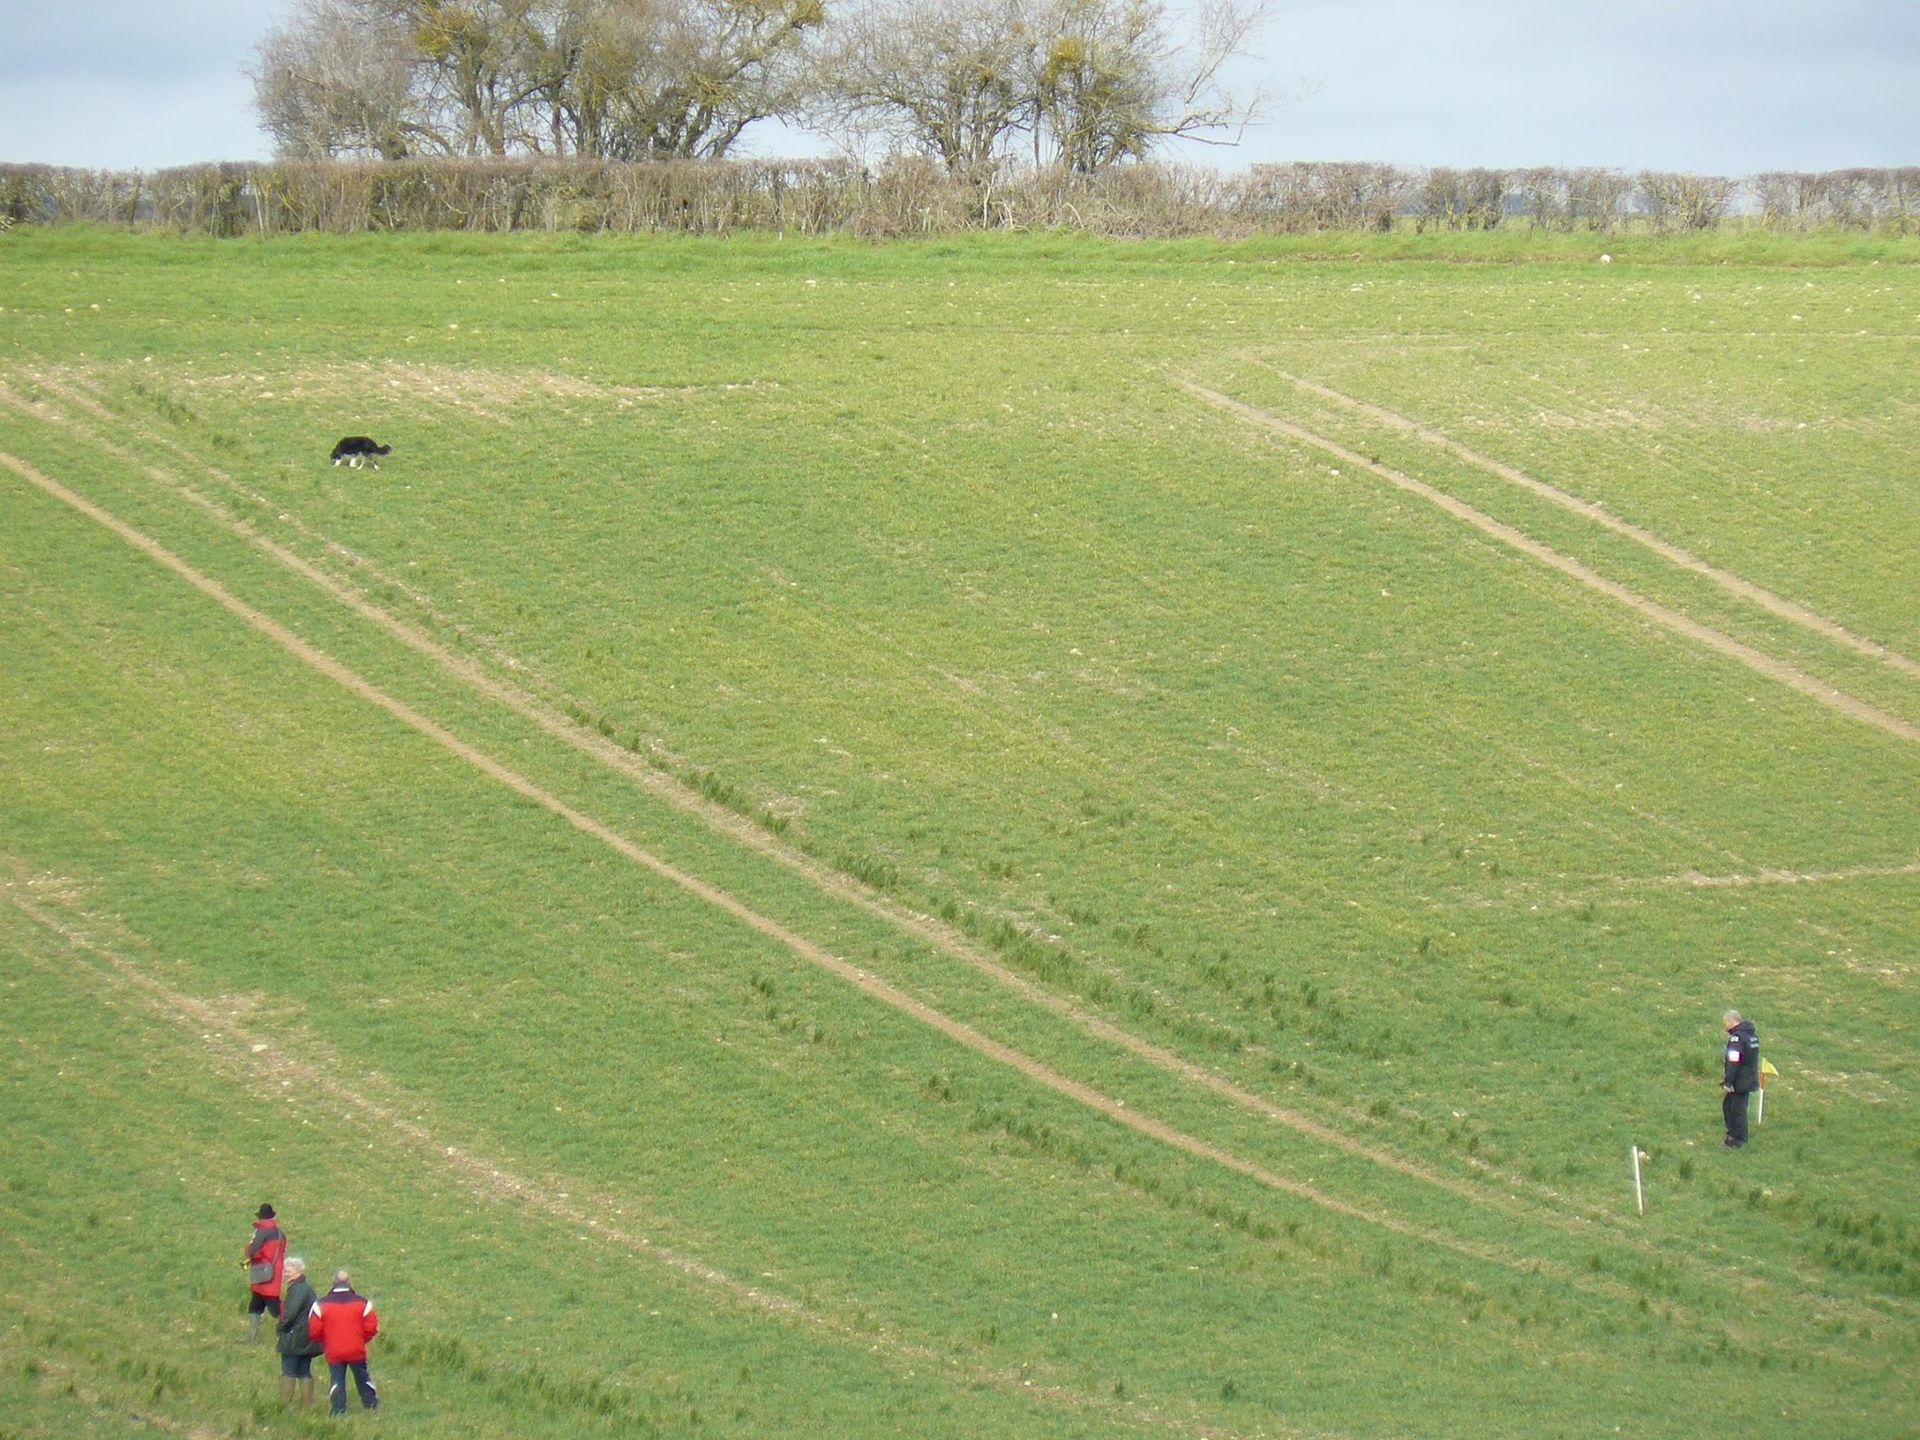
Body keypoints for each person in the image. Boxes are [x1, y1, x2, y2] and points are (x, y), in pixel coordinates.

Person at [309, 1268, 380, 1415]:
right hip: (356, 1349)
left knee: (337, 1379)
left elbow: (314, 1330)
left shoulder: (320, 1304)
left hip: (333, 1350)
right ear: (349, 1282)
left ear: (334, 1282)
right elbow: (372, 1327)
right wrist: (362, 1340)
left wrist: (325, 1342)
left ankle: (338, 1409)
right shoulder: (363, 1303)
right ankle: (370, 1404)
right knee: (362, 1377)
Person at [274, 1258, 325, 1407]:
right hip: (307, 1338)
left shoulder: (297, 1289)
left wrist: (280, 1327)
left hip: (294, 1337)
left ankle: (284, 1405)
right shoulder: (305, 1288)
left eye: (288, 1271)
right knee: (304, 1371)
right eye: (285, 1271)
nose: (285, 1274)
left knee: (288, 1371)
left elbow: (290, 1313)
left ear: (298, 1271)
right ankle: (307, 1406)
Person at [243, 1204, 287, 1343]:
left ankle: (288, 1333)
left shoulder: (261, 1232)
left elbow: (252, 1252)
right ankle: (252, 1337)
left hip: (262, 1274)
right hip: (274, 1273)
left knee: (274, 1308)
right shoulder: (280, 1233)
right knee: (256, 1303)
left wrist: (249, 1246)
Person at [1722, 1009, 1761, 1148]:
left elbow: (1734, 1061)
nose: (1725, 1027)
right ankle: (1736, 1137)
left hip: (1739, 1081)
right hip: (1748, 1079)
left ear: (1731, 1021)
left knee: (1735, 1110)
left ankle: (1737, 1140)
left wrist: (1728, 1082)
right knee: (1734, 1107)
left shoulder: (1737, 1039)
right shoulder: (1752, 1036)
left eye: (1726, 1023)